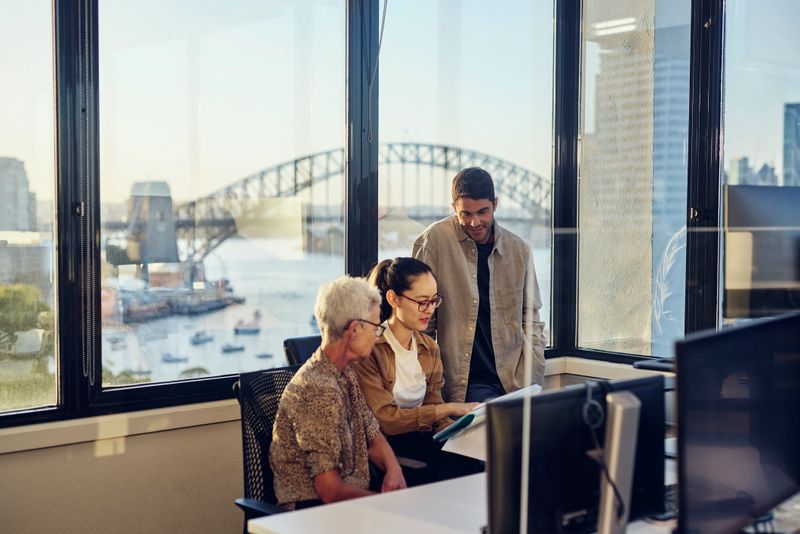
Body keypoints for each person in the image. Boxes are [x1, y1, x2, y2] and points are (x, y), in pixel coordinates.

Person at [269, 276, 406, 511]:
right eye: (375, 327)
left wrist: (394, 469)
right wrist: (389, 505)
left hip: (349, 503)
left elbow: (372, 435)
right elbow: (329, 491)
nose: (378, 336)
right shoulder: (316, 390)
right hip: (312, 514)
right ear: (354, 329)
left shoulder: (345, 372)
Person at [412, 167, 546, 403]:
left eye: (483, 211)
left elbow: (531, 317)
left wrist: (533, 367)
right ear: (453, 208)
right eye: (465, 214)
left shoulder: (520, 251)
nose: (475, 222)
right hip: (463, 384)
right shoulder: (433, 241)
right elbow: (419, 320)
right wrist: (430, 388)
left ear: (495, 204)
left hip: (514, 381)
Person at [353, 258, 479, 482]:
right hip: (382, 447)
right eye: (422, 302)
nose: (429, 310)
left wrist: (461, 430)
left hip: (420, 439)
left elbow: (434, 406)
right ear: (393, 299)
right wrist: (450, 408)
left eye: (434, 301)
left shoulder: (428, 347)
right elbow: (386, 421)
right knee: (456, 469)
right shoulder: (370, 348)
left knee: (475, 455)